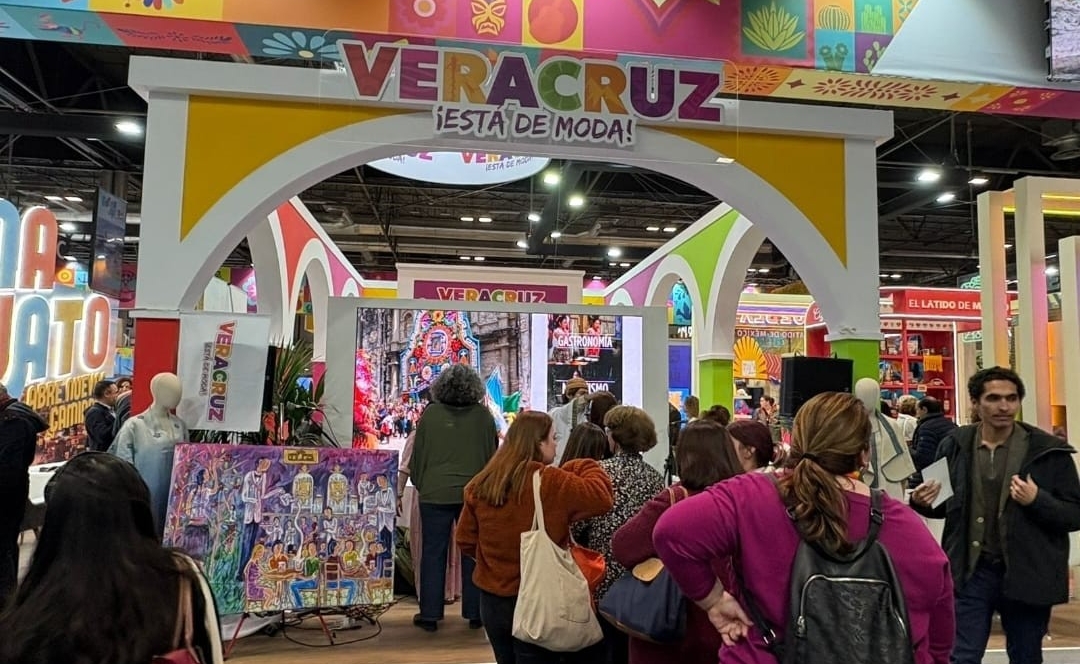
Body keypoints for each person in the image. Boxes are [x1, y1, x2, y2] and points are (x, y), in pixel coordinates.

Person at [655, 392, 954, 664]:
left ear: (795, 443)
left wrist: (713, 600)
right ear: (864, 454)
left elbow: (671, 532)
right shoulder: (908, 528)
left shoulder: (750, 496)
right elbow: (939, 637)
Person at [911, 366, 1080, 664]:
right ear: (976, 403)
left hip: (1027, 572)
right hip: (970, 571)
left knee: (1026, 655)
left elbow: (1074, 514)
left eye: (1011, 398)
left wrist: (1037, 500)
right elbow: (940, 503)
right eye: (993, 398)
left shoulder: (1049, 452)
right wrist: (921, 501)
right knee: (961, 656)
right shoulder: (954, 444)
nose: (1004, 406)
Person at [0, 453, 224, 664]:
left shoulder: (32, 611)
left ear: (55, 522)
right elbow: (209, 651)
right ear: (140, 510)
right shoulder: (180, 579)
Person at [456, 411, 614, 664]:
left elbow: (465, 540)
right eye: (553, 438)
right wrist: (582, 463)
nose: (556, 445)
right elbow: (601, 497)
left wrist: (493, 564)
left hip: (493, 600)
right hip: (542, 596)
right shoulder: (551, 482)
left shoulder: (481, 484)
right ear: (538, 443)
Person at [611, 420, 744, 664]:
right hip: (730, 628)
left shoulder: (673, 500)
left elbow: (623, 546)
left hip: (668, 629)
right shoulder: (742, 500)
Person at [573, 405, 665, 664]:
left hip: (600, 575)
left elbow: (578, 526)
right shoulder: (655, 479)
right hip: (642, 579)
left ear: (613, 436)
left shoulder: (598, 473)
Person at [411, 364, 498, 631]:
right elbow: (492, 456)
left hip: (434, 492)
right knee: (473, 553)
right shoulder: (484, 417)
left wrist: (423, 484)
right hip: (473, 495)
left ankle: (430, 615)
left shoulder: (430, 415)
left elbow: (418, 457)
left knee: (433, 553)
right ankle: (475, 613)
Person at [0, 383, 47, 606]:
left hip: (7, 496)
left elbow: (7, 468)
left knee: (4, 550)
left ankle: (6, 603)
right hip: (14, 493)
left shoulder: (13, 423)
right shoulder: (18, 418)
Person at [910, 396, 957, 485]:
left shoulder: (926, 428)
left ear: (924, 409)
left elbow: (923, 458)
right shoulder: (950, 423)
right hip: (949, 472)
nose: (917, 413)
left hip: (930, 477)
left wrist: (908, 450)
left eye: (917, 410)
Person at [83, 379, 118, 452]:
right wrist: (120, 421)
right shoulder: (94, 413)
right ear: (106, 394)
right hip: (104, 456)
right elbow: (102, 436)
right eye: (116, 392)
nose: (118, 395)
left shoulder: (113, 410)